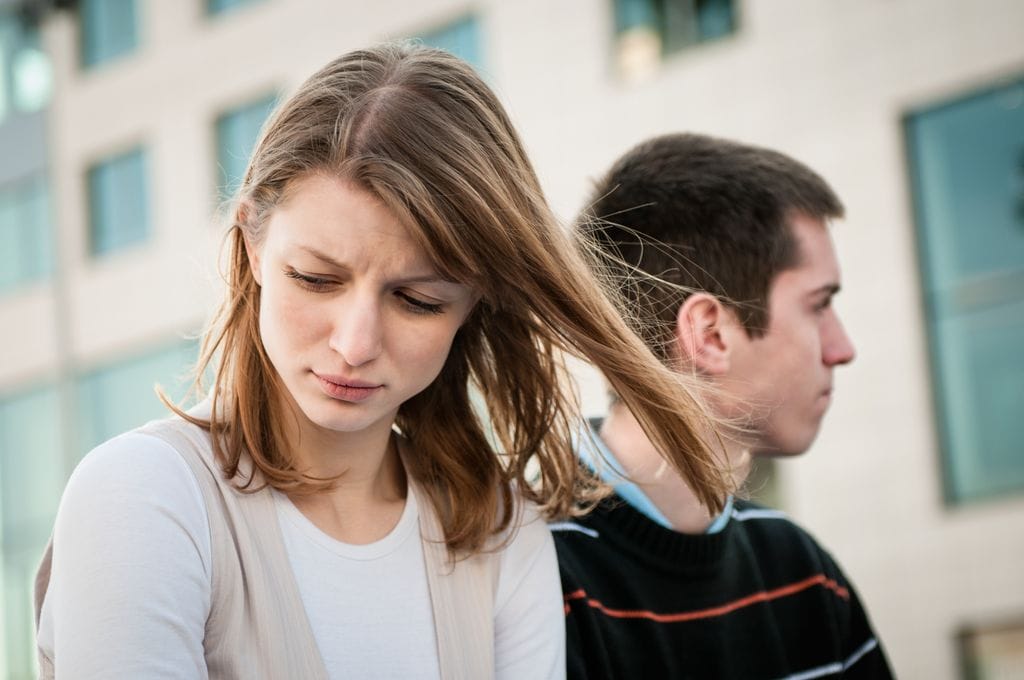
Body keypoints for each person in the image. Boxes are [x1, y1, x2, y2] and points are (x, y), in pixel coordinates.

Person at [33, 46, 732, 679]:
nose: (355, 342)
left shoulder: (500, 532)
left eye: (418, 300)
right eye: (316, 278)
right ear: (251, 246)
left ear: (473, 304)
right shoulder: (144, 497)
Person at [554, 133, 895, 678]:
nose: (842, 348)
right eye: (818, 306)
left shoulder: (803, 573)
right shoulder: (530, 580)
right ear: (709, 334)